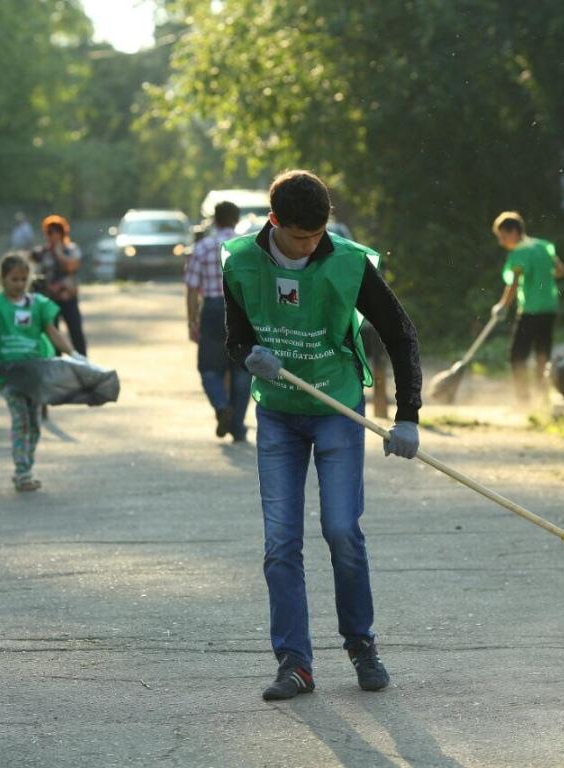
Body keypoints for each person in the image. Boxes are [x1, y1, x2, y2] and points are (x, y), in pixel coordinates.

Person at [222, 170, 423, 701]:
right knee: (281, 542)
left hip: (338, 410)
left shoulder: (348, 262)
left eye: (317, 235)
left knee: (340, 530)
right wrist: (248, 357)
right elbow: (234, 337)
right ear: (273, 222)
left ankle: (362, 645)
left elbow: (400, 335)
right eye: (299, 237)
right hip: (278, 415)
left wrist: (408, 416)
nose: (311, 246)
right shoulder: (240, 261)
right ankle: (295, 662)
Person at [0, 252, 74, 492]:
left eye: (23, 279)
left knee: (35, 423)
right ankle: (22, 472)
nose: (19, 284)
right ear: (2, 279)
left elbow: (52, 332)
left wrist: (73, 352)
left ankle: (27, 465)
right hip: (8, 374)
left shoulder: (38, 305)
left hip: (35, 372)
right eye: (13, 279)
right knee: (20, 421)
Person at [185, 200, 251, 441]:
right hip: (242, 311)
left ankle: (222, 406)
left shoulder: (202, 248)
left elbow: (192, 288)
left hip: (212, 309)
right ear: (236, 219)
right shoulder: (246, 248)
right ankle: (237, 426)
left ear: (215, 219)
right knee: (242, 371)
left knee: (210, 369)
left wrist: (192, 320)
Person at [489, 211, 564, 403]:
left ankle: (523, 400)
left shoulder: (520, 253)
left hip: (530, 310)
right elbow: (560, 270)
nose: (501, 242)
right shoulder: (543, 246)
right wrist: (543, 278)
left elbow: (513, 283)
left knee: (517, 355)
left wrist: (502, 306)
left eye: (503, 236)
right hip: (549, 308)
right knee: (542, 354)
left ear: (514, 231)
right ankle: (543, 398)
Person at [31, 215, 87, 356]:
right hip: (51, 299)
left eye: (57, 231)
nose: (53, 235)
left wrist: (58, 251)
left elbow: (71, 267)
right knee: (53, 334)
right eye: (50, 232)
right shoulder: (41, 253)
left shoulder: (71, 249)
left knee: (76, 332)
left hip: (68, 297)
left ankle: (82, 362)